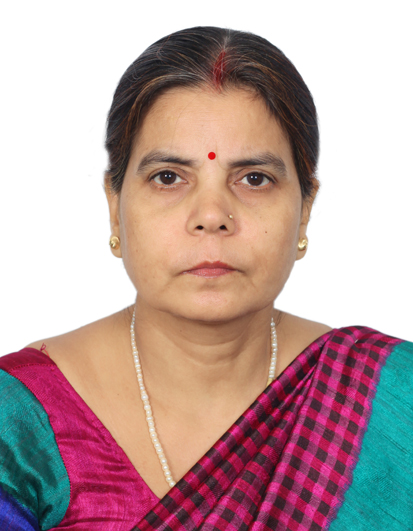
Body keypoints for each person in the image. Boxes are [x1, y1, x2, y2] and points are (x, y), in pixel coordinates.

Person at [0, 25, 411, 531]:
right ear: (114, 206)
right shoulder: (17, 422)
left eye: (254, 179)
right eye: (169, 177)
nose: (212, 215)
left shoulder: (389, 402)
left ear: (305, 209)